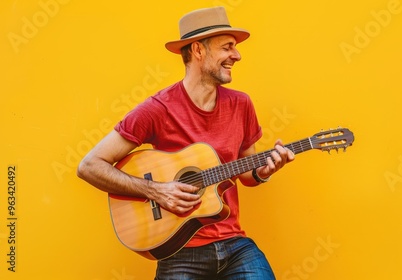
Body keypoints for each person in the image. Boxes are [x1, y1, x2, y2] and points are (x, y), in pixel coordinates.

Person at [77, 6, 295, 280]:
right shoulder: (158, 109)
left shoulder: (241, 104)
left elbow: (246, 173)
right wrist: (156, 191)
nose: (237, 55)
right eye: (227, 47)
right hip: (180, 250)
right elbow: (89, 165)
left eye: (235, 48)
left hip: (234, 243)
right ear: (198, 50)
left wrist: (264, 171)